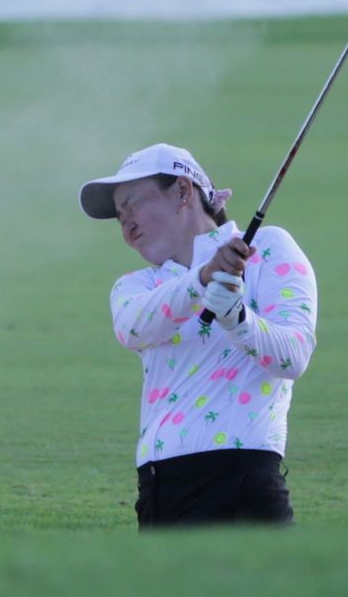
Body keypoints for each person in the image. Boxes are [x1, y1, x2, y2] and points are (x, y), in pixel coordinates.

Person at [79, 143, 318, 529]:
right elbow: (133, 327)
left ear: (183, 191)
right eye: (119, 217)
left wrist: (238, 319)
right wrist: (203, 279)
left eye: (134, 204)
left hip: (242, 484)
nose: (127, 225)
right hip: (159, 493)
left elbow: (293, 357)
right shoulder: (137, 285)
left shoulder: (269, 248)